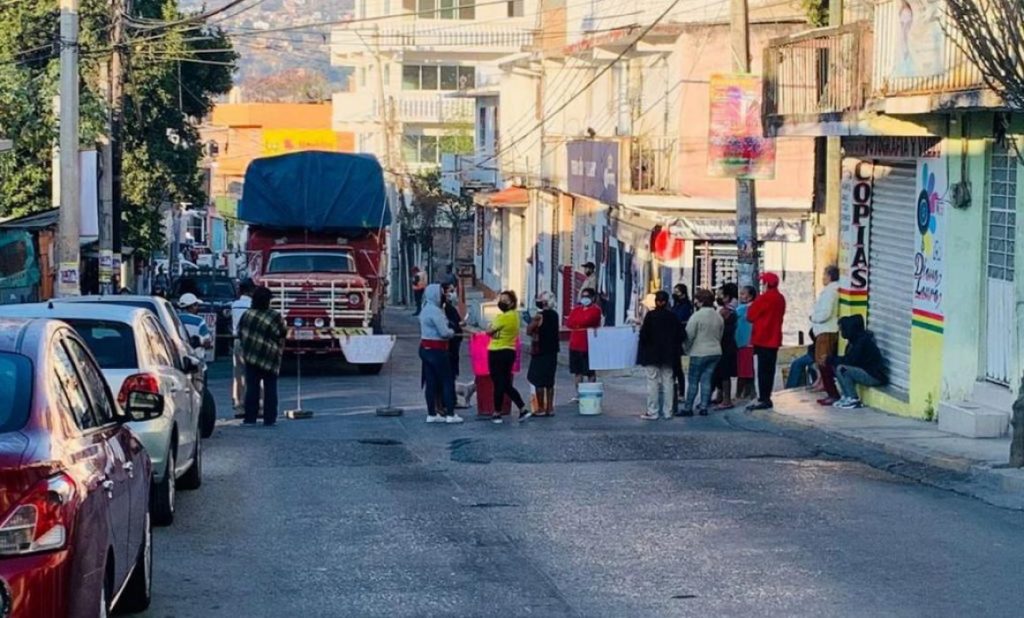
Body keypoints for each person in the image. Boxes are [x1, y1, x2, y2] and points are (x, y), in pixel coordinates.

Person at [238, 286, 287, 426]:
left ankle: (250, 417)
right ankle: (269, 418)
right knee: (270, 388)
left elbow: (241, 333)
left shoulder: (247, 315)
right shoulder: (275, 316)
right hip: (270, 357)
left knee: (252, 387)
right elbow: (282, 333)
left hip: (251, 356)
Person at [419, 284, 462, 423]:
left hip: (425, 348)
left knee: (430, 382)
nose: (444, 296)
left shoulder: (424, 309)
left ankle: (431, 413)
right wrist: (452, 332)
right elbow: (444, 332)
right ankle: (450, 414)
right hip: (438, 349)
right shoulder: (436, 312)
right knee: (447, 381)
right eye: (442, 293)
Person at [638, 291, 682, 421]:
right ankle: (668, 412)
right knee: (668, 382)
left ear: (656, 301)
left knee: (652, 382)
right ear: (667, 302)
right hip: (668, 354)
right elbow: (681, 335)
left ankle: (653, 411)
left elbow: (644, 335)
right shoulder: (672, 316)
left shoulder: (650, 316)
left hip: (652, 354)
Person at [828, 315, 887, 409]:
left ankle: (853, 399)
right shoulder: (853, 341)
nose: (841, 332)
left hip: (873, 376)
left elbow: (850, 360)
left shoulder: (862, 342)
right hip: (865, 371)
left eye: (842, 329)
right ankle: (846, 396)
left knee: (842, 369)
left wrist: (831, 359)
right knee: (838, 366)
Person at [680, 289, 724, 416]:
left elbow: (689, 335)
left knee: (693, 381)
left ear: (700, 301)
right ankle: (704, 406)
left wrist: (686, 349)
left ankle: (688, 407)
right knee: (707, 380)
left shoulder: (696, 316)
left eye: (697, 300)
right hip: (715, 351)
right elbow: (720, 335)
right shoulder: (718, 316)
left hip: (699, 352)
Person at [746, 272, 786, 411]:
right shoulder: (780, 298)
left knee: (761, 370)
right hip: (774, 339)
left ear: (767, 284)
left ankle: (763, 398)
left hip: (762, 339)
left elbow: (750, 316)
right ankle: (766, 396)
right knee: (770, 369)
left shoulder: (764, 299)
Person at [487, 290, 528, 424]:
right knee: (504, 382)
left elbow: (489, 330)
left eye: (505, 300)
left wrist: (491, 329)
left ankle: (497, 412)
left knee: (499, 383)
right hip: (510, 350)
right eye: (501, 299)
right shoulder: (515, 316)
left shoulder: (502, 317)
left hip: (497, 351)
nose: (502, 302)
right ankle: (522, 408)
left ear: (511, 303)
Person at [810, 265, 843, 405]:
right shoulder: (830, 291)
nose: (823, 277)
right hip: (823, 331)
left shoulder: (831, 292)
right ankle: (830, 391)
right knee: (821, 362)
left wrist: (814, 318)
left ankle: (832, 393)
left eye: (824, 274)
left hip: (826, 330)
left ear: (830, 276)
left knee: (824, 362)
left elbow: (826, 312)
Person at [527, 291, 560, 417]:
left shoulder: (539, 316)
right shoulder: (555, 315)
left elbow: (529, 330)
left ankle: (541, 407)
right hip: (552, 350)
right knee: (550, 380)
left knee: (537, 379)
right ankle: (550, 408)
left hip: (540, 350)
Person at [566, 287, 603, 400]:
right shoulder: (576, 309)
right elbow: (569, 322)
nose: (584, 299)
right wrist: (578, 323)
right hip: (575, 344)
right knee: (577, 371)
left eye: (587, 296)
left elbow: (588, 321)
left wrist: (578, 323)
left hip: (588, 345)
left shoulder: (596, 310)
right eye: (583, 296)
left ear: (592, 298)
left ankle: (591, 392)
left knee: (589, 371)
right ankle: (578, 394)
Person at [712, 283, 739, 410]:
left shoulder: (727, 311)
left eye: (721, 295)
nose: (718, 297)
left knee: (724, 372)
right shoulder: (728, 309)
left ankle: (726, 399)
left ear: (727, 297)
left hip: (725, 344)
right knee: (720, 372)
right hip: (726, 343)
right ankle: (721, 396)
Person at [230, 279, 255, 411]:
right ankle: (257, 405)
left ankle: (239, 404)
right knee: (254, 374)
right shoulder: (253, 305)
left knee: (238, 374)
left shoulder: (234, 305)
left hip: (238, 340)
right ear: (251, 290)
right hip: (252, 341)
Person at [670, 283, 693, 412]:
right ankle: (675, 391)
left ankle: (681, 392)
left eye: (677, 292)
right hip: (673, 338)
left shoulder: (686, 306)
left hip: (679, 338)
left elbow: (681, 320)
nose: (675, 294)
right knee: (674, 367)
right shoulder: (676, 305)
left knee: (678, 368)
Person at [441, 280, 465, 394]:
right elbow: (449, 325)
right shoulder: (444, 308)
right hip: (450, 343)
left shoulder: (450, 306)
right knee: (450, 371)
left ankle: (452, 396)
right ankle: (449, 399)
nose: (453, 293)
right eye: (451, 291)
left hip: (455, 342)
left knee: (453, 370)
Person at [734, 285, 757, 400]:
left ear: (750, 296)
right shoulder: (754, 308)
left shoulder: (741, 309)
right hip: (750, 342)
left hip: (743, 342)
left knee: (743, 370)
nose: (741, 296)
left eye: (743, 294)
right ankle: (748, 392)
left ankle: (740, 394)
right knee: (748, 369)